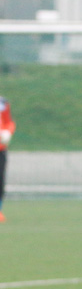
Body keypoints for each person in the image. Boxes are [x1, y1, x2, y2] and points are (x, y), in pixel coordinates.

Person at [0, 92, 14, 223]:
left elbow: (9, 122)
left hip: (0, 150)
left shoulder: (2, 103)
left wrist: (7, 132)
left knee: (0, 180)